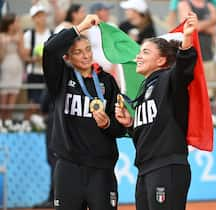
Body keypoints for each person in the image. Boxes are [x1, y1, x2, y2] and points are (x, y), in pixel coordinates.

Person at [115, 12, 198, 210]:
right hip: (146, 169)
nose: (138, 57)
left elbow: (184, 69)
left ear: (161, 61)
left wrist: (187, 39)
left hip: (166, 167)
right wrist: (130, 124)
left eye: (145, 52)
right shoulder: (145, 89)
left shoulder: (169, 79)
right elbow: (150, 132)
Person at [42, 14, 126, 210]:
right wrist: (79, 28)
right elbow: (49, 49)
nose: (86, 55)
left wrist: (107, 124)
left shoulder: (107, 81)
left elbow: (120, 129)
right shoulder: (61, 78)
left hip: (101, 169)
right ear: (67, 57)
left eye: (88, 50)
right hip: (69, 167)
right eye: (78, 52)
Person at [178, 0, 216, 100]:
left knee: (209, 94)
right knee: (191, 93)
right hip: (190, 57)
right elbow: (188, 26)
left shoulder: (210, 6)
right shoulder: (184, 4)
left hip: (208, 57)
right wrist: (210, 22)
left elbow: (215, 30)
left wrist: (199, 26)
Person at [24, 4, 54, 118]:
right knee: (33, 104)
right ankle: (31, 128)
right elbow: (25, 57)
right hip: (34, 73)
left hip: (48, 74)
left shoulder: (51, 33)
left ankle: (43, 126)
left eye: (43, 15)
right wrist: (36, 59)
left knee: (47, 103)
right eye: (38, 16)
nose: (41, 18)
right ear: (33, 18)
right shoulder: (28, 35)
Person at [0, 13, 25, 119]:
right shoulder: (1, 36)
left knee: (10, 106)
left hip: (17, 68)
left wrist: (19, 42)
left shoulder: (20, 35)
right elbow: (0, 57)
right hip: (4, 69)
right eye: (17, 21)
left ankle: (7, 123)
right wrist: (3, 45)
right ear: (10, 24)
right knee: (3, 104)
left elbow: (23, 55)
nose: (19, 24)